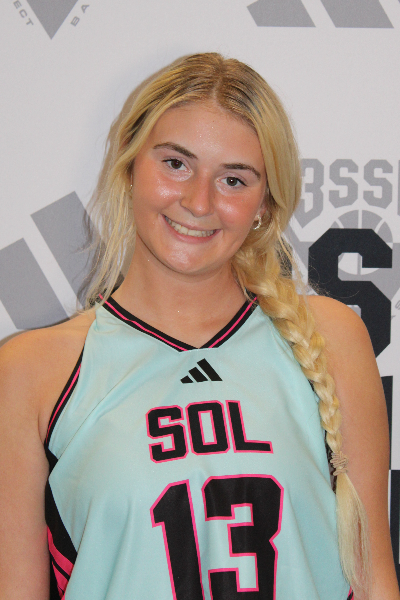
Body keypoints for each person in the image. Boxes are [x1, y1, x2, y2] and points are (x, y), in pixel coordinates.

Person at [0, 53, 398, 600]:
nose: (198, 202)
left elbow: (374, 581)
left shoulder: (330, 339)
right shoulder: (33, 371)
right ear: (129, 161)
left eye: (233, 179)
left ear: (264, 204)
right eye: (176, 164)